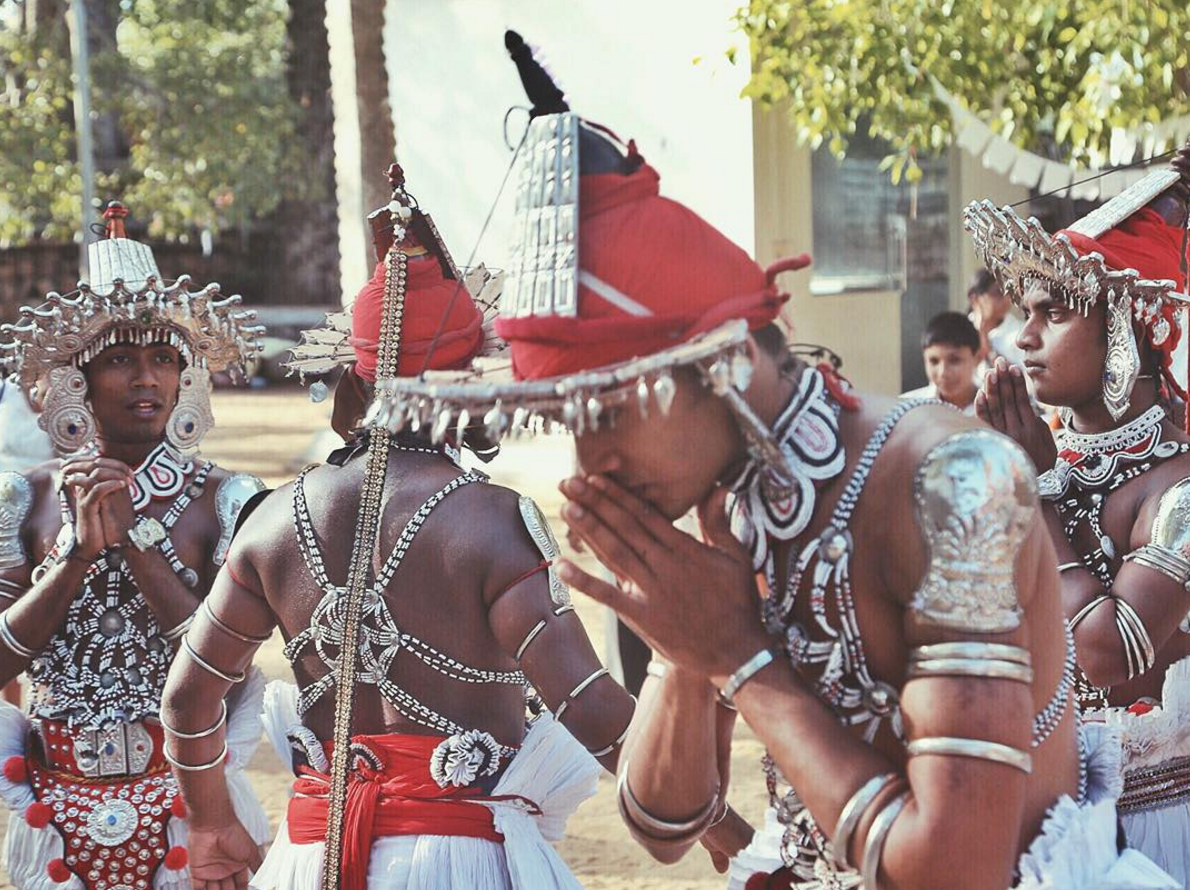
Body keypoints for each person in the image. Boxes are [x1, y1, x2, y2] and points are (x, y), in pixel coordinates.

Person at [358, 33, 1181, 890]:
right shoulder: (732, 505)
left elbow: (958, 867)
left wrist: (741, 660)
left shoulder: (953, 482)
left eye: (607, 410)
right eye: (571, 421)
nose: (589, 463)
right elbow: (665, 824)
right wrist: (684, 651)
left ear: (720, 363)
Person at [160, 163, 638, 890]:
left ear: (351, 382)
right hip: (462, 862)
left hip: (306, 861)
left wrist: (210, 821)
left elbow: (188, 701)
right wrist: (720, 819)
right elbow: (594, 713)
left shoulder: (269, 523)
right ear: (474, 386)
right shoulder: (495, 522)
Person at [0, 202, 271, 890]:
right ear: (77, 381)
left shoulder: (227, 500)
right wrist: (76, 556)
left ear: (187, 377)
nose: (145, 378)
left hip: (191, 802)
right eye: (119, 359)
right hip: (54, 806)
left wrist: (139, 542)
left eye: (163, 359)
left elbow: (228, 667)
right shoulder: (24, 499)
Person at [970, 138, 1190, 885]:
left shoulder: (1181, 488)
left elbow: (1109, 651)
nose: (1022, 337)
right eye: (1025, 312)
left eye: (1054, 314)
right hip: (1046, 818)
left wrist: (1036, 488)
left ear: (1127, 327)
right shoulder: (1050, 461)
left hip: (1157, 834)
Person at [901, 310, 981, 413]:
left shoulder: (997, 411)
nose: (943, 372)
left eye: (954, 360)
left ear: (976, 358)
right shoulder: (907, 409)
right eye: (934, 361)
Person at [970, 268, 1025, 369]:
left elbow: (1022, 376)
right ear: (975, 299)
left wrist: (988, 347)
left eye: (1009, 292)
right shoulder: (961, 328)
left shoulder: (1020, 333)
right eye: (998, 293)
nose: (1006, 299)